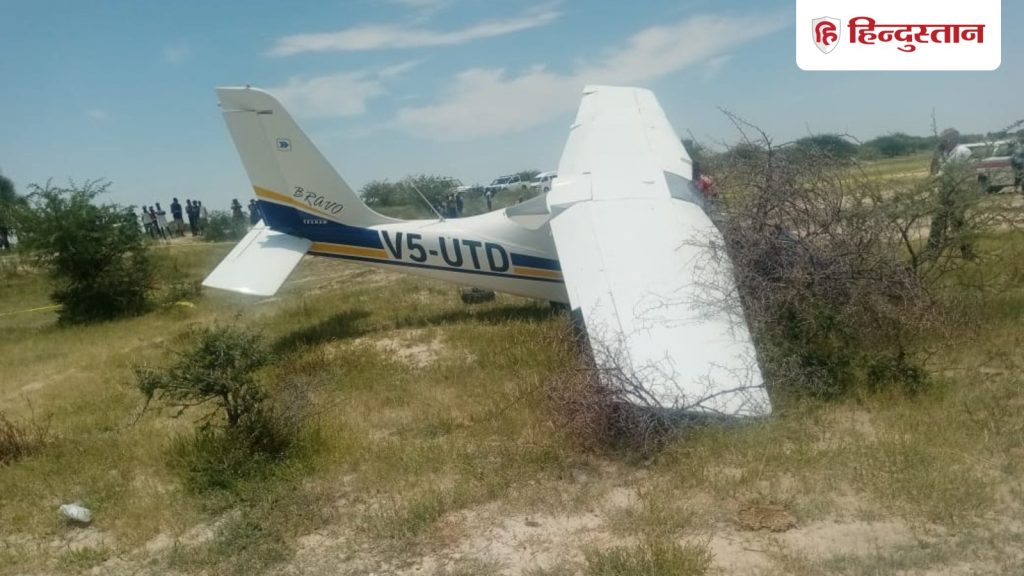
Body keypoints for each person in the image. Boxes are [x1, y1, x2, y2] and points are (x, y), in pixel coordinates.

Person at [926, 128, 975, 258]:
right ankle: (930, 255)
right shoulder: (942, 153)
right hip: (942, 192)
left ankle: (968, 254)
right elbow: (933, 171)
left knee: (958, 224)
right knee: (936, 223)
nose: (941, 140)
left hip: (957, 193)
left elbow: (968, 173)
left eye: (943, 138)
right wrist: (935, 156)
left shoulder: (963, 151)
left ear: (952, 138)